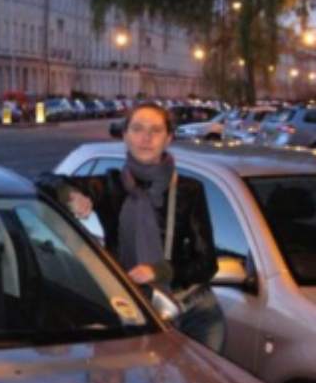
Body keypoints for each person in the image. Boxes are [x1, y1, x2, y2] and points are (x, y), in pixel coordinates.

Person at [37, 102, 225, 352]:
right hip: (135, 308)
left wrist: (160, 271)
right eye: (137, 129)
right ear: (125, 136)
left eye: (155, 130)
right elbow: (44, 180)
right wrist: (69, 194)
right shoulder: (109, 186)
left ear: (168, 138)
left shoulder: (189, 190)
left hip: (194, 311)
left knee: (203, 378)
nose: (146, 138)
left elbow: (207, 263)